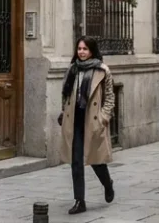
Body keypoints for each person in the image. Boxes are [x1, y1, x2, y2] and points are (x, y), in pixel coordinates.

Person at [57, 36, 115, 215]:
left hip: (92, 121)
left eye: (85, 49)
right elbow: (65, 94)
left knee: (96, 161)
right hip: (74, 121)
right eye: (79, 48)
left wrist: (103, 118)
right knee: (76, 162)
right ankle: (79, 201)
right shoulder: (72, 70)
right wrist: (63, 112)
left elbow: (110, 98)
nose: (81, 52)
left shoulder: (102, 70)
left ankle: (108, 184)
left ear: (92, 51)